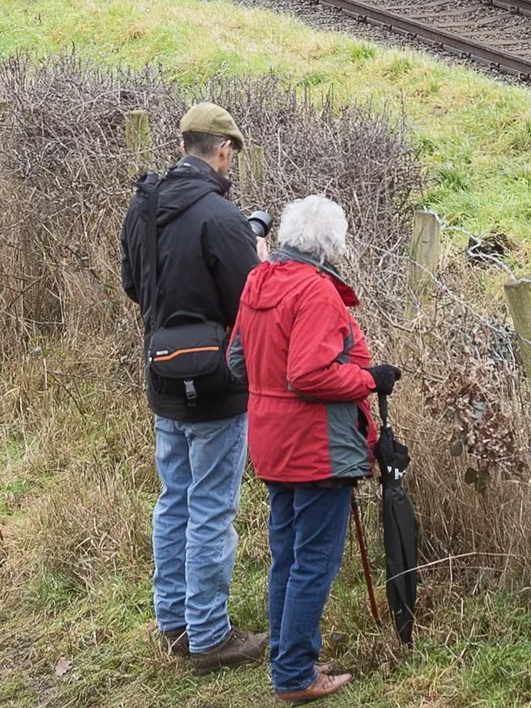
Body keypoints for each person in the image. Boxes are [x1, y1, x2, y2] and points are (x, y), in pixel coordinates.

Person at [232, 194, 399, 703]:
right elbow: (308, 374)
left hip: (271, 442)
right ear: (331, 244)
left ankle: (288, 657)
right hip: (316, 448)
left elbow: (236, 362)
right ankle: (294, 674)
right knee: (314, 561)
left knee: (287, 557)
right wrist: (369, 378)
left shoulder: (259, 281)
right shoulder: (317, 292)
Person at [119, 103, 266, 673]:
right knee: (210, 507)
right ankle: (209, 636)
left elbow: (133, 284)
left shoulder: (143, 206)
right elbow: (252, 303)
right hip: (218, 385)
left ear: (183, 145)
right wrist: (257, 254)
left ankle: (175, 623)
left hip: (161, 373)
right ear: (223, 150)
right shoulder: (221, 217)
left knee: (174, 499)